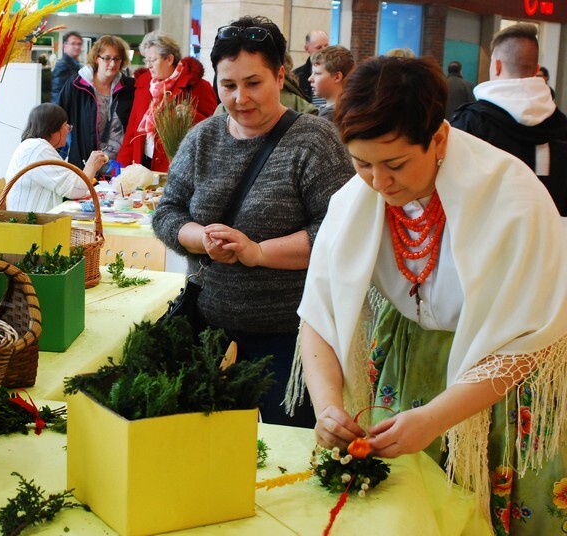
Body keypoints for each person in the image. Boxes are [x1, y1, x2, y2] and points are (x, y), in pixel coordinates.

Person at [293, 56, 567, 535]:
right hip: (408, 369)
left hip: (499, 389)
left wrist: (436, 417)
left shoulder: (512, 195)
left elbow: (533, 336)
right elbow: (319, 310)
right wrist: (328, 407)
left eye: (395, 164)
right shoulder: (354, 200)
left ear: (439, 137)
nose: (379, 183)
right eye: (362, 165)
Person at [152, 15, 353, 428]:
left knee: (290, 451)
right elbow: (168, 212)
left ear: (280, 76)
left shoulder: (315, 141)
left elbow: (339, 234)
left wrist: (257, 252)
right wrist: (201, 238)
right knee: (206, 450)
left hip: (293, 338)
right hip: (208, 331)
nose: (240, 97)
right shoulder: (202, 139)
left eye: (253, 83)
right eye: (228, 85)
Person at [451, 23, 567, 216]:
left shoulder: (469, 122)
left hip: (490, 239)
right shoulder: (561, 126)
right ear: (536, 69)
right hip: (554, 239)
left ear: (496, 65)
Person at [117, 31, 217, 173]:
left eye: (153, 60)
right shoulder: (144, 83)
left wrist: (190, 115)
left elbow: (212, 129)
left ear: (169, 59)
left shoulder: (197, 86)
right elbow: (133, 129)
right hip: (142, 162)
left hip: (176, 167)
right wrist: (122, 168)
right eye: (147, 61)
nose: (149, 66)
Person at [5, 103, 106, 213]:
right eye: (65, 125)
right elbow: (76, 189)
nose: (68, 129)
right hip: (31, 226)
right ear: (52, 129)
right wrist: (91, 166)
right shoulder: (38, 150)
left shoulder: (34, 147)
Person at [55, 35, 134, 171]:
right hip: (84, 166)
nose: (112, 63)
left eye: (117, 59)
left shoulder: (129, 87)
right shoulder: (76, 85)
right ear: (97, 58)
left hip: (119, 169)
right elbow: (57, 121)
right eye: (107, 58)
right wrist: (55, 159)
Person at [308, 45, 354, 121]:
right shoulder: (350, 108)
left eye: (317, 73)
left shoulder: (335, 117)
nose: (310, 79)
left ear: (337, 77)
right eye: (312, 73)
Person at [292, 30, 328, 106]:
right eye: (319, 47)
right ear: (307, 49)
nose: (324, 50)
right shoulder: (296, 76)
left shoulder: (336, 72)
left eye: (326, 46)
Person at [51, 31, 82, 103]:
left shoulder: (75, 64)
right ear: (65, 46)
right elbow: (59, 92)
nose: (77, 47)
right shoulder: (62, 65)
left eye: (79, 44)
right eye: (73, 43)